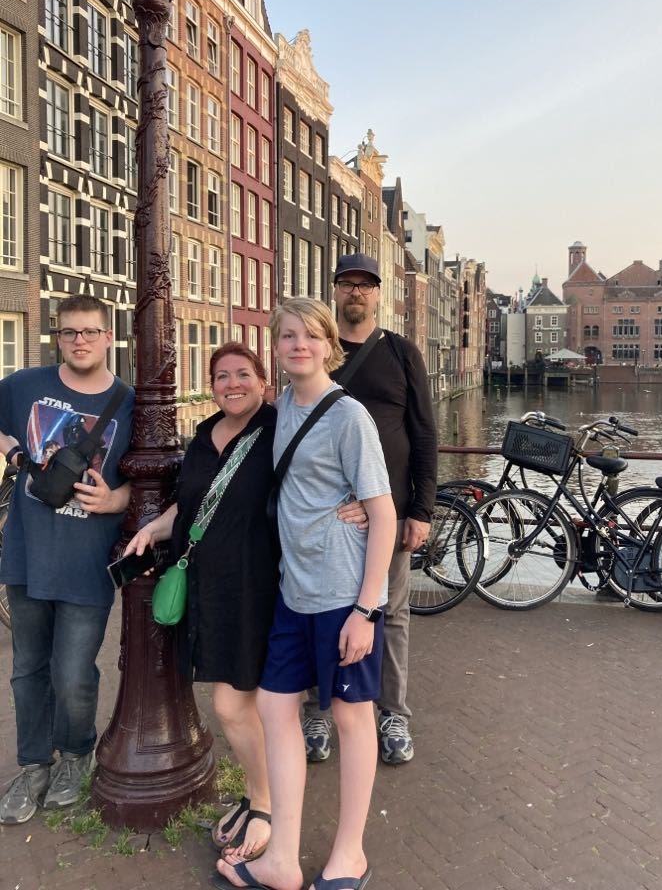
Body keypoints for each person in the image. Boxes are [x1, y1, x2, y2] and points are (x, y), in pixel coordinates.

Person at [123, 342, 366, 867]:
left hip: (258, 587)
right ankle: (264, 795)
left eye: (242, 374)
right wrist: (152, 528)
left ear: (263, 382)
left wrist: (360, 505)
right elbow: (192, 504)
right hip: (210, 590)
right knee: (243, 704)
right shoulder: (204, 434)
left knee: (234, 705)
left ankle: (266, 803)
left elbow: (325, 471)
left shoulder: (278, 428)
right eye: (221, 376)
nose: (231, 384)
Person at [215, 297, 396, 890]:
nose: (299, 345)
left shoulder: (349, 417)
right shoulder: (280, 409)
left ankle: (350, 855)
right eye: (288, 335)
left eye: (311, 335)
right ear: (275, 346)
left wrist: (367, 609)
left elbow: (383, 515)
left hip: (342, 594)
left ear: (328, 345)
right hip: (294, 591)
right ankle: (281, 859)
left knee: (351, 717)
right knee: (274, 707)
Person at [0, 294, 134, 824]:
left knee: (74, 673)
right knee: (27, 670)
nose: (80, 341)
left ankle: (76, 755)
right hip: (26, 556)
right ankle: (34, 765)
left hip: (85, 563)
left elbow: (151, 482)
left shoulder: (129, 403)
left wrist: (115, 500)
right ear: (58, 337)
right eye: (69, 332)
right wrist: (13, 451)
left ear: (108, 337)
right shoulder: (23, 386)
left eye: (90, 331)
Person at [302, 253, 437, 767]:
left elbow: (423, 435)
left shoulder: (401, 353)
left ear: (378, 294)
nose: (356, 292)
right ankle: (318, 710)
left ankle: (392, 712)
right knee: (316, 608)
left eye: (365, 284)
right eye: (347, 283)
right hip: (325, 515)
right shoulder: (318, 352)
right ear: (335, 291)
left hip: (390, 512)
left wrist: (421, 510)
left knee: (392, 614)